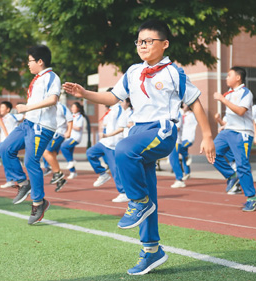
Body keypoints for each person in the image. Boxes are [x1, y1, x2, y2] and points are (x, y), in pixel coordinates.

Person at [63, 19, 215, 275]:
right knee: (149, 194)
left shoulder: (173, 72)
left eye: (148, 41)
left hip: (161, 130)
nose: (142, 46)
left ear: (164, 44)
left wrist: (208, 136)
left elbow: (196, 102)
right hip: (138, 131)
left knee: (123, 150)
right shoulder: (133, 72)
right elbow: (112, 97)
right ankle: (151, 249)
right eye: (139, 41)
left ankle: (138, 201)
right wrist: (84, 92)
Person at [0, 45, 60, 225]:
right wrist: (26, 114)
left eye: (30, 61)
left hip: (42, 127)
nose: (27, 64)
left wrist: (27, 107)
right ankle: (22, 182)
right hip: (27, 123)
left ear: (40, 61)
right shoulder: (37, 79)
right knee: (5, 148)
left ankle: (38, 203)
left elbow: (52, 99)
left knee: (30, 161)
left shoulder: (51, 77)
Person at [213, 67, 256, 211]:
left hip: (242, 133)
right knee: (212, 152)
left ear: (238, 78)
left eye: (229, 75)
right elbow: (231, 118)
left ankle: (252, 198)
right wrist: (221, 123)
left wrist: (222, 99)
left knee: (242, 165)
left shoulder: (246, 93)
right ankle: (231, 176)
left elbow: (240, 111)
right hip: (228, 131)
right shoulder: (228, 94)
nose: (226, 78)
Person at [87, 101, 128, 203]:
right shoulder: (110, 110)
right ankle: (103, 173)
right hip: (104, 142)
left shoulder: (119, 110)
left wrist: (108, 135)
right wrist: (104, 135)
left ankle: (123, 193)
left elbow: (121, 128)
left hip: (113, 144)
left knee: (115, 169)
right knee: (90, 153)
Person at [0, 101, 23, 188]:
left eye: (2, 107)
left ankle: (11, 180)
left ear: (8, 109)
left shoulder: (11, 116)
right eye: (0, 107)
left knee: (5, 159)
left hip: (10, 143)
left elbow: (23, 116)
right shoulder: (2, 119)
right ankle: (13, 161)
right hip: (3, 143)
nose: (0, 109)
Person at [42, 101, 73, 192]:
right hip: (51, 134)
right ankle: (60, 179)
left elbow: (70, 119)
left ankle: (57, 174)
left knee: (46, 152)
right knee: (52, 155)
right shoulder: (47, 107)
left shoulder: (61, 107)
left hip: (59, 133)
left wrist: (69, 131)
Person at [60, 102, 84, 179]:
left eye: (74, 107)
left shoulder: (80, 117)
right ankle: (73, 172)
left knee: (63, 147)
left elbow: (78, 128)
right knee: (69, 155)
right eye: (72, 107)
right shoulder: (71, 116)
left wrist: (70, 124)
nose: (72, 108)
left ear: (78, 108)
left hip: (76, 138)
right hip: (71, 137)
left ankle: (71, 162)